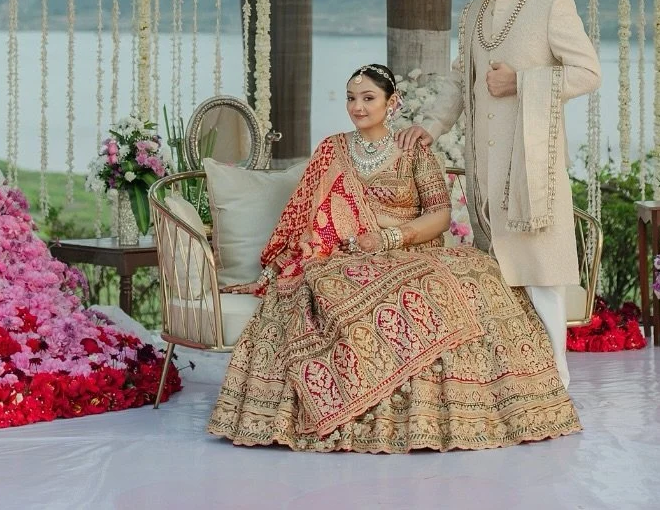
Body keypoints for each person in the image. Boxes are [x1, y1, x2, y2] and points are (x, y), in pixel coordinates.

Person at [207, 63, 580, 452]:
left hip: (407, 250)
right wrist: (331, 240)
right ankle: (367, 415)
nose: (358, 107)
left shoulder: (412, 149)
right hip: (343, 256)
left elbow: (439, 215)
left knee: (476, 274)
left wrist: (390, 236)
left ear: (392, 103)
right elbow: (309, 214)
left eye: (369, 98)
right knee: (326, 289)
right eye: (352, 98)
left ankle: (466, 407)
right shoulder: (332, 150)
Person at [396, 0, 602, 387]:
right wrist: (430, 126)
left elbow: (589, 73)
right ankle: (512, 378)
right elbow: (456, 80)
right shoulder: (473, 14)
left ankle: (557, 379)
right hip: (485, 166)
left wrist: (524, 81)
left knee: (541, 276)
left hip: (532, 167)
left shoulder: (553, 5)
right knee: (498, 276)